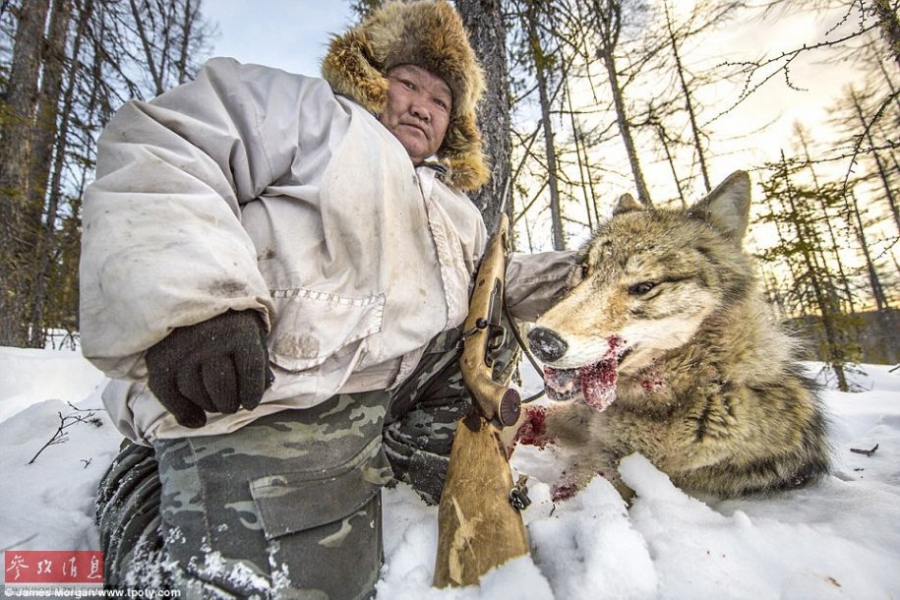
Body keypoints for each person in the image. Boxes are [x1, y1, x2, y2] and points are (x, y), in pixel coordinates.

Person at [81, 1, 576, 598]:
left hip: (387, 393)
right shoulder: (309, 113)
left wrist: (596, 271)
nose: (422, 104)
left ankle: (397, 466)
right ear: (371, 78)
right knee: (302, 588)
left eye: (441, 100)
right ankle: (147, 483)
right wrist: (198, 305)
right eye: (408, 83)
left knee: (487, 330)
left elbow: (492, 284)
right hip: (263, 389)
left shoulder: (456, 209)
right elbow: (165, 145)